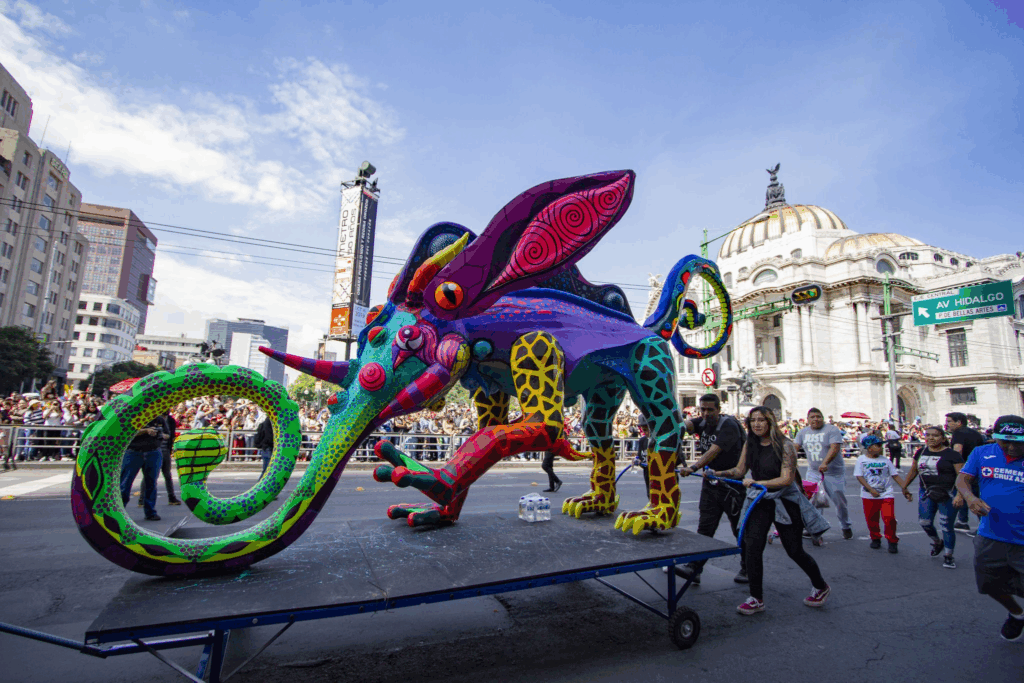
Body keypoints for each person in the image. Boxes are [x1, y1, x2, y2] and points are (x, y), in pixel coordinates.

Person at [713, 406, 831, 615]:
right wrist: (715, 473)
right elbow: (739, 471)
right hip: (761, 498)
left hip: (785, 501)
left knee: (794, 550)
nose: (757, 424)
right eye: (753, 420)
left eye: (761, 420)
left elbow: (786, 479)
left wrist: (757, 482)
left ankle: (821, 586)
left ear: (770, 422)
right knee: (752, 547)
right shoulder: (751, 443)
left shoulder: (785, 445)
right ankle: (756, 598)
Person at [955, 415, 1024, 641]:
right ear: (995, 437)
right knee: (989, 585)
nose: (1013, 447)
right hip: (991, 536)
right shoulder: (982, 453)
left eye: (1019, 442)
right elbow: (962, 480)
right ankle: (1017, 614)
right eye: (1006, 441)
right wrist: (970, 498)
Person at [677, 393, 748, 585]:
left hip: (731, 485)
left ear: (719, 410)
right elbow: (683, 426)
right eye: (703, 409)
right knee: (705, 528)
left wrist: (693, 467)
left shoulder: (729, 426)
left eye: (710, 410)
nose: (706, 413)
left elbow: (713, 451)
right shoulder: (702, 422)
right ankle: (694, 568)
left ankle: (748, 568)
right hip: (710, 484)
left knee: (739, 529)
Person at [901, 426, 963, 568]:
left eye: (935, 435)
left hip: (948, 493)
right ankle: (937, 542)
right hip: (927, 492)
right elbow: (914, 470)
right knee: (924, 522)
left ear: (943, 438)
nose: (930, 438)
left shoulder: (952, 455)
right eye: (928, 435)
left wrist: (960, 495)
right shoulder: (921, 452)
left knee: (946, 525)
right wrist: (905, 486)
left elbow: (962, 476)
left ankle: (948, 555)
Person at [795, 407, 853, 540]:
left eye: (818, 416)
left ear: (823, 418)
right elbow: (795, 447)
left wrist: (825, 462)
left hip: (834, 473)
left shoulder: (832, 430)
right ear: (808, 419)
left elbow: (835, 447)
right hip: (814, 472)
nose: (816, 419)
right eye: (813, 417)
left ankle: (845, 525)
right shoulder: (803, 432)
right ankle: (815, 527)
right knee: (813, 500)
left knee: (840, 501)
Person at [854, 434, 911, 553]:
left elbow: (895, 475)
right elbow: (859, 476)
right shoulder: (862, 460)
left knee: (889, 518)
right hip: (869, 495)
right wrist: (870, 489)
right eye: (878, 445)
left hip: (886, 494)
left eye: (881, 445)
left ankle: (892, 540)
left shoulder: (885, 460)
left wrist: (905, 488)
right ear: (869, 447)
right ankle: (875, 537)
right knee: (872, 519)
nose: (881, 448)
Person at [120, 415, 169, 521]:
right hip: (133, 451)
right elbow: (126, 433)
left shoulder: (159, 419)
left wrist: (160, 434)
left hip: (154, 451)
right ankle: (119, 511)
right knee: (125, 483)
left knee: (151, 483)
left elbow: (167, 434)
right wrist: (145, 431)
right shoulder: (134, 417)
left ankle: (150, 512)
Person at [947, 412, 986, 534]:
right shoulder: (975, 433)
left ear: (958, 422)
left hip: (965, 469)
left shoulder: (958, 433)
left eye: (949, 421)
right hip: (979, 469)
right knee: (973, 494)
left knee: (964, 493)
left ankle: (981, 526)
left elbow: (957, 451)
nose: (947, 424)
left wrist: (951, 464)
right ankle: (963, 521)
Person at [254, 410, 274, 476]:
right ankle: (260, 484)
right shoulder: (269, 423)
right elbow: (269, 436)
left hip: (266, 447)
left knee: (267, 469)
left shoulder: (266, 422)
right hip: (268, 447)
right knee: (267, 469)